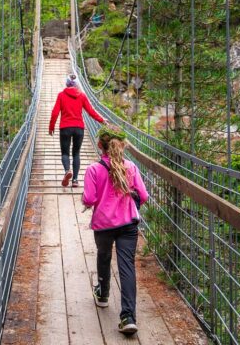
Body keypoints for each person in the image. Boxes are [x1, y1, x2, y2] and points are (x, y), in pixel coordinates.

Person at [82, 124, 149, 335]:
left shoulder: (94, 169)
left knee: (103, 257)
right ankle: (128, 317)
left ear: (100, 145)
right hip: (128, 224)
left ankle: (102, 294)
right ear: (122, 145)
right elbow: (144, 196)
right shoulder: (131, 167)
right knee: (127, 267)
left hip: (103, 225)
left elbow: (89, 199)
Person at [48, 74, 105, 187]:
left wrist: (51, 127)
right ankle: (75, 180)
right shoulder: (82, 96)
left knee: (65, 153)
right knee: (76, 153)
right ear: (77, 84)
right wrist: (102, 120)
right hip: (79, 128)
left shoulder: (61, 95)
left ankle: (67, 170)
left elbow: (55, 112)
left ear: (66, 83)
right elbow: (91, 111)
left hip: (65, 128)